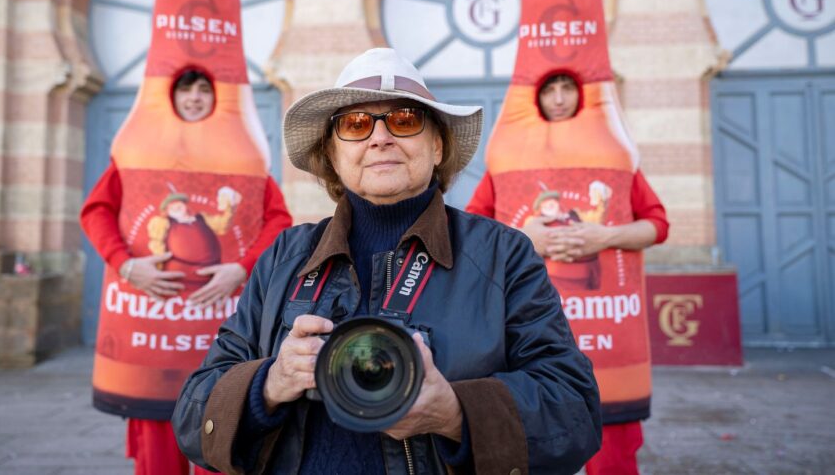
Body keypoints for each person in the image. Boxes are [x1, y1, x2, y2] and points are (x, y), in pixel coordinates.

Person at [172, 48, 602, 474]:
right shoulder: (285, 256)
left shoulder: (502, 255)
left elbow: (575, 412)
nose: (380, 138)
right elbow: (192, 420)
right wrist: (270, 382)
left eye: (405, 120)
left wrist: (455, 413)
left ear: (437, 146)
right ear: (333, 156)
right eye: (356, 124)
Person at [81, 68, 292, 475]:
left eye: (203, 89)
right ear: (169, 97)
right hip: (153, 336)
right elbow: (97, 211)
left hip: (217, 334)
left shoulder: (241, 157)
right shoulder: (138, 153)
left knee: (220, 443)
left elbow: (277, 220)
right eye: (185, 89)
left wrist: (240, 269)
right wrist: (126, 265)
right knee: (158, 457)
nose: (194, 97)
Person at [467, 73, 669, 474]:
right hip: (532, 333)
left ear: (584, 94)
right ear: (534, 97)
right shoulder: (507, 162)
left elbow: (658, 224)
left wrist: (605, 236)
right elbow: (474, 231)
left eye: (567, 88)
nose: (559, 99)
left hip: (606, 336)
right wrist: (525, 238)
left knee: (613, 458)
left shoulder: (616, 158)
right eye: (549, 89)